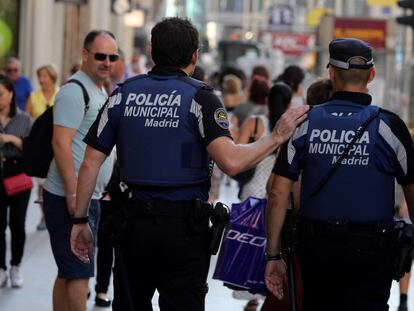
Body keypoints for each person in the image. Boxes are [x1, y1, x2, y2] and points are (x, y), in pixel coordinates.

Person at [69, 17, 308, 311]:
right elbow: (231, 162)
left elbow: (90, 163)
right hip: (183, 230)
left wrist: (81, 220)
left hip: (133, 227)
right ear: (195, 55)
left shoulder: (122, 95)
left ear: (153, 50)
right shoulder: (201, 98)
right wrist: (276, 137)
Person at [265, 38, 414, 310]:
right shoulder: (390, 126)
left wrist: (273, 255)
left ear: (331, 73)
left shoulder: (303, 124)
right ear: (372, 75)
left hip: (317, 249)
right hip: (373, 250)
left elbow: (277, 192)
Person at [42, 30, 117, 311]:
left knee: (68, 271)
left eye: (112, 57)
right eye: (100, 56)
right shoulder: (75, 91)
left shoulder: (98, 89)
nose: (107, 62)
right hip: (70, 197)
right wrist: (74, 193)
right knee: (79, 275)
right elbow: (60, 144)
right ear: (85, 55)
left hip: (85, 197)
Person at [0, 75, 33, 288]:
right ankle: (1, 268)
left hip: (18, 171)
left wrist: (11, 139)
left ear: (11, 93)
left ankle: (16, 265)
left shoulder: (24, 119)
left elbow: (32, 150)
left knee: (18, 223)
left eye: (1, 94)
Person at [25, 64, 60, 231]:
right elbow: (26, 120)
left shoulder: (62, 93)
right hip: (41, 144)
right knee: (41, 182)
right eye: (40, 76)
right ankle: (44, 216)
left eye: (45, 76)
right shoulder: (33, 97)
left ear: (52, 77)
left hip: (57, 142)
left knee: (53, 179)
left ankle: (51, 213)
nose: (42, 79)